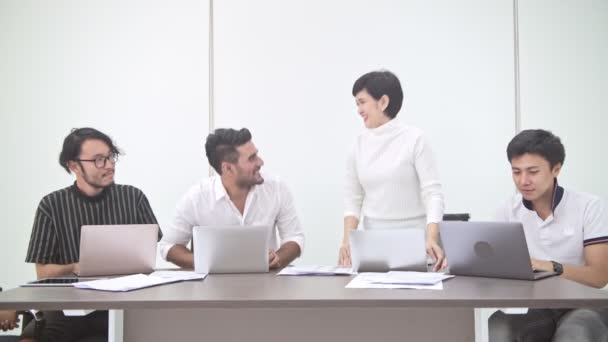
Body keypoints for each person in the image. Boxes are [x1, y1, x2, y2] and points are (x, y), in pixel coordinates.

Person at [21, 128, 159, 342]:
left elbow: (150, 246)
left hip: (124, 302)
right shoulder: (52, 205)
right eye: (99, 160)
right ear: (74, 165)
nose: (110, 165)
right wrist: (75, 267)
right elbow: (43, 272)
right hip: (69, 306)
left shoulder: (133, 197)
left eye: (110, 157)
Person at [489, 129, 608, 341]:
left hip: (583, 304)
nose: (523, 180)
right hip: (535, 306)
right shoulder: (507, 210)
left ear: (556, 169)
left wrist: (550, 267)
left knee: (575, 332)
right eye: (516, 172)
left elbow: (599, 277)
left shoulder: (589, 206)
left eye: (532, 172)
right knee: (501, 325)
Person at [338, 70, 446, 271]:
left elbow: (434, 195)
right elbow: (353, 199)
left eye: (362, 102)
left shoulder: (415, 139)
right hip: (373, 248)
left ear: (383, 102)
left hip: (416, 246)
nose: (359, 110)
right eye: (356, 104)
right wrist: (346, 242)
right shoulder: (357, 145)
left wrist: (431, 238)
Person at [159, 128, 304, 269]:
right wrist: (205, 262)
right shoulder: (197, 197)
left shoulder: (276, 188)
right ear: (228, 168)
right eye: (252, 158)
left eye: (256, 155)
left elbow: (294, 237)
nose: (260, 162)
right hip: (212, 288)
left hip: (267, 285)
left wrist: (278, 258)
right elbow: (168, 246)